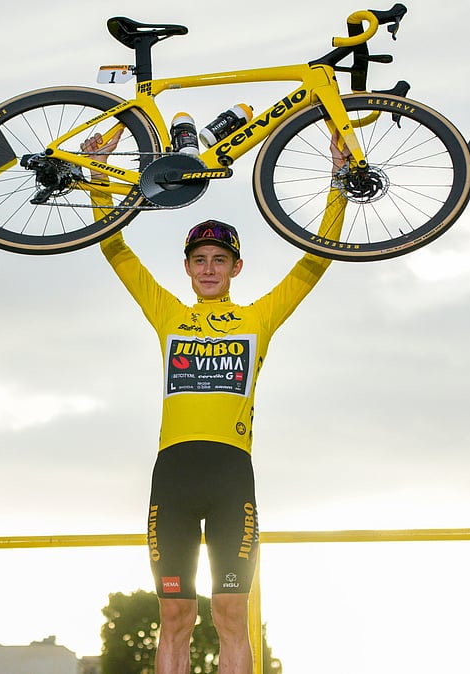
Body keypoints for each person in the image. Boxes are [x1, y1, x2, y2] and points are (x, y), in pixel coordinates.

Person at [82, 130, 346, 674]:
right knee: (174, 616)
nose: (208, 268)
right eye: (199, 259)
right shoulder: (169, 314)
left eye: (219, 259)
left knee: (231, 612)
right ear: (187, 267)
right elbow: (115, 248)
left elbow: (314, 262)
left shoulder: (257, 318)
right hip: (174, 476)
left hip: (231, 476)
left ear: (235, 268)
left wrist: (338, 185)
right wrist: (96, 177)